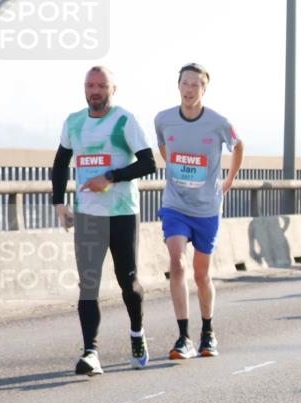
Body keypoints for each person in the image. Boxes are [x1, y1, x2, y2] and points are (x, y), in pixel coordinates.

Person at [51, 66, 156, 376]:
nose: (95, 90)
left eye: (101, 85)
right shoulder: (74, 122)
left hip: (122, 213)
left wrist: (110, 176)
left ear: (113, 89)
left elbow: (149, 162)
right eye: (90, 85)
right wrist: (59, 202)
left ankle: (137, 334)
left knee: (128, 282)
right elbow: (60, 162)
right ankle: (91, 352)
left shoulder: (124, 120)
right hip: (88, 216)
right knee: (88, 285)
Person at [154, 63, 243, 359]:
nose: (190, 89)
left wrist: (229, 179)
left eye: (196, 85)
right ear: (178, 85)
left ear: (204, 89)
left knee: (201, 274)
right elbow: (164, 147)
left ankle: (208, 331)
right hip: (175, 204)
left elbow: (238, 144)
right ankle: (183, 337)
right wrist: (176, 170)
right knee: (177, 263)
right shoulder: (163, 119)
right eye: (185, 83)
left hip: (207, 208)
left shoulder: (218, 122)